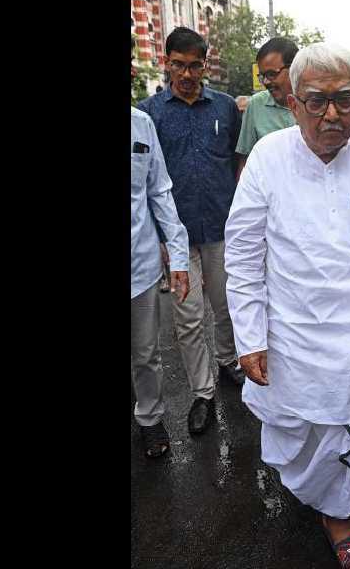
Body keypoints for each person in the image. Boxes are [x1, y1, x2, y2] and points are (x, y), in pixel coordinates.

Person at [225, 42, 350, 569]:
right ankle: (316, 494)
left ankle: (337, 515)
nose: (332, 114)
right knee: (299, 434)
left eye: (345, 100)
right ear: (293, 104)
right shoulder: (269, 156)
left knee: (348, 428)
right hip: (291, 333)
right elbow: (243, 255)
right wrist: (251, 338)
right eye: (316, 101)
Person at [136, 27, 245, 436]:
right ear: (166, 63)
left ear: (205, 64)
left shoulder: (224, 109)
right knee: (187, 316)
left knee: (226, 304)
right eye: (178, 64)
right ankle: (203, 392)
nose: (186, 73)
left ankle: (228, 360)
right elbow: (148, 184)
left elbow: (238, 159)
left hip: (220, 225)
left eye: (194, 65)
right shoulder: (150, 114)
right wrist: (161, 240)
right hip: (174, 238)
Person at [131, 40, 191, 458]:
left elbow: (160, 192)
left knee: (147, 353)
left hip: (140, 267)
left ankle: (150, 419)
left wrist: (180, 256)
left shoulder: (141, 125)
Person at [235, 37, 299, 179]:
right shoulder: (256, 105)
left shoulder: (315, 102)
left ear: (295, 67)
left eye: (271, 74)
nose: (266, 82)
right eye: (262, 76)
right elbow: (245, 162)